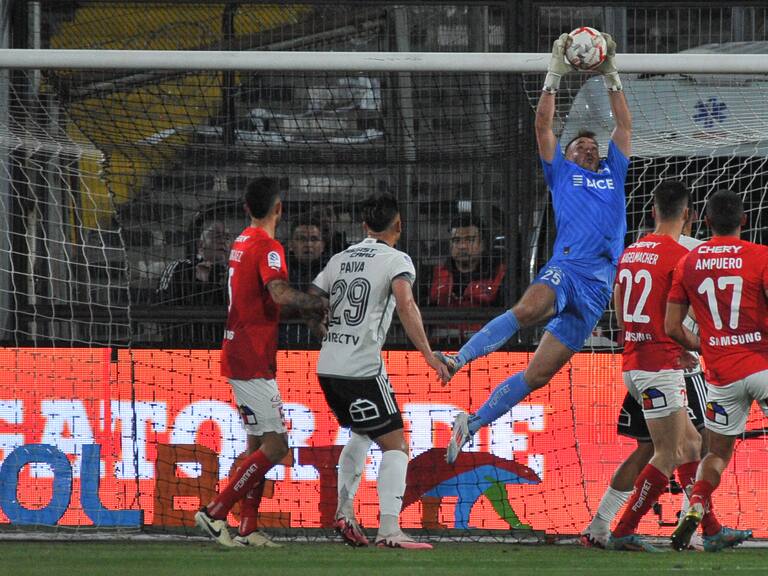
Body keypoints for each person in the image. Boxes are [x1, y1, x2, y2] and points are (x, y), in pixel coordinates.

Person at [436, 33, 631, 465]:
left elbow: (624, 127)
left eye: (592, 144)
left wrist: (612, 75)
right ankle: (457, 359)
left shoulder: (613, 172)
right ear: (565, 153)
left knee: (538, 375)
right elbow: (542, 126)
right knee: (528, 310)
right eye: (579, 144)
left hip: (597, 290)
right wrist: (555, 73)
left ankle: (472, 422)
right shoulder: (561, 173)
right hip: (568, 268)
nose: (588, 146)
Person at [308, 193, 449, 549]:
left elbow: (310, 300)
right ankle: (389, 530)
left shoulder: (339, 259)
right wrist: (430, 356)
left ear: (364, 226)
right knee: (397, 445)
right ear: (399, 225)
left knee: (360, 433)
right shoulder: (396, 259)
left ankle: (343, 512)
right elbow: (406, 303)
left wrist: (324, 333)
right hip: (363, 369)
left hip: (328, 366)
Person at [194, 177, 327, 547]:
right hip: (251, 356)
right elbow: (279, 292)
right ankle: (216, 510)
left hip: (242, 351)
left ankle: (248, 527)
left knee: (257, 446)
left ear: (246, 208)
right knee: (277, 445)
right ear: (279, 209)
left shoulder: (240, 241)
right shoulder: (268, 247)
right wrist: (314, 303)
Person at [581, 193, 714, 550]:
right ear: (689, 215)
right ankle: (626, 529)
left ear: (653, 211)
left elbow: (621, 308)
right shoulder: (686, 255)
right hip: (664, 364)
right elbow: (689, 316)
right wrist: (694, 347)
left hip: (636, 358)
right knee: (674, 450)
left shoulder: (632, 252)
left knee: (678, 446)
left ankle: (602, 525)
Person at [667, 190, 765, 551]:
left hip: (721, 376)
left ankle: (696, 504)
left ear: (706, 222)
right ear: (744, 220)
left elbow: (672, 327)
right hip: (763, 365)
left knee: (716, 455)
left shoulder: (689, 263)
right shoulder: (761, 256)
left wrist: (707, 344)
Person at [427, 214, 506, 308]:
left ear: (483, 244)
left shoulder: (499, 274)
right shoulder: (434, 275)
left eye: (470, 240)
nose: (462, 246)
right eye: (456, 240)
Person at [156, 219, 232, 306]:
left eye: (227, 237)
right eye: (217, 236)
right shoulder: (179, 268)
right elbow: (162, 305)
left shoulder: (233, 273)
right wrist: (201, 283)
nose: (223, 241)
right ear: (200, 244)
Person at [280, 219, 331, 347]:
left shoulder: (333, 269)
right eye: (301, 239)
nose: (308, 244)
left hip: (323, 344)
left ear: (323, 245)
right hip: (284, 341)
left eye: (314, 239)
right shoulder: (281, 269)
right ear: (291, 245)